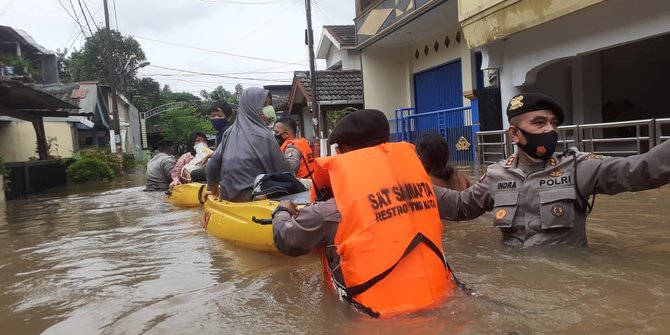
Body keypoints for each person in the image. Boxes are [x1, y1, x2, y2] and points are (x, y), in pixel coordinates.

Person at [272, 109, 458, 318]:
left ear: (345, 151)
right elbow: (462, 205)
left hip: (373, 320)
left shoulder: (331, 210)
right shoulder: (423, 190)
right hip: (441, 305)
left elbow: (286, 240)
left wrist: (282, 211)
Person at [435, 92, 670, 247]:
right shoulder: (497, 175)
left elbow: (641, 170)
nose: (551, 130)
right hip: (515, 283)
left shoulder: (578, 167)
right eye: (539, 123)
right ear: (514, 133)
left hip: (569, 289)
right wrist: (408, 186)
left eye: (553, 123)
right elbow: (461, 207)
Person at [206, 87, 291, 202]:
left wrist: (212, 188)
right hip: (255, 197)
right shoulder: (264, 135)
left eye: (269, 105)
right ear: (252, 107)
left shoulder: (228, 133)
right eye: (264, 105)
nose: (269, 109)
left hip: (228, 196)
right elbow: (285, 172)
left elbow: (213, 165)